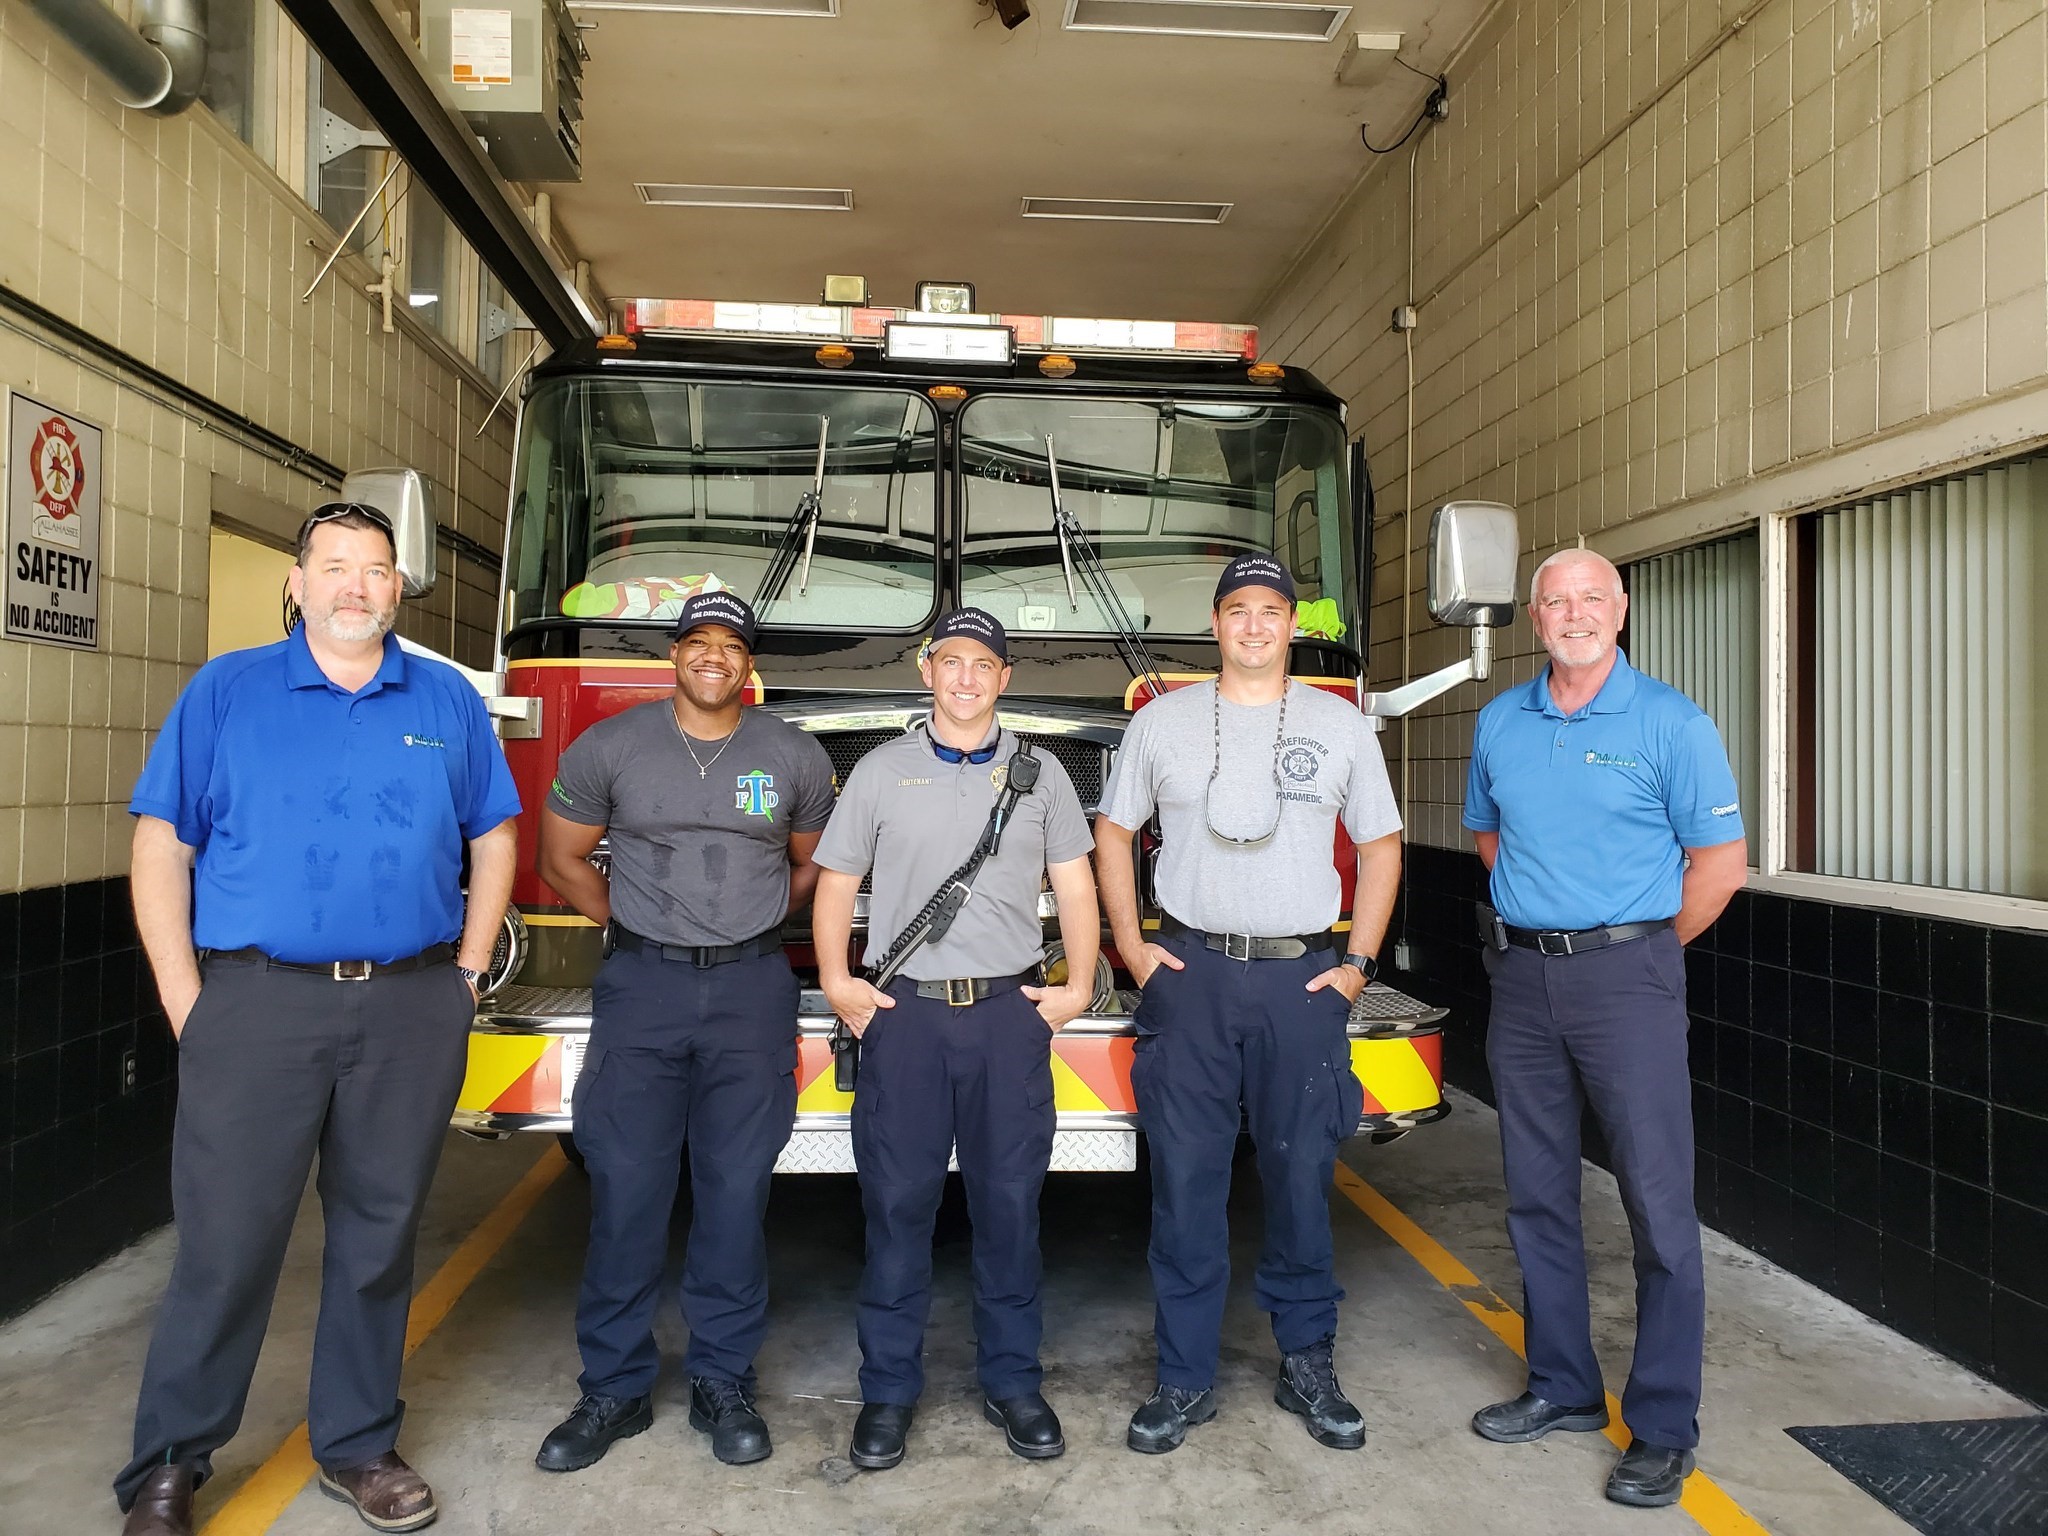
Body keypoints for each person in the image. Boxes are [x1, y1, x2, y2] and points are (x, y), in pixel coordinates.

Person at [115, 503, 520, 1536]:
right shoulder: (229, 691)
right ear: (296, 583)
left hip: (408, 1005)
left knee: (379, 1238)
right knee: (227, 1241)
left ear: (397, 589)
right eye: (333, 567)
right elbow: (163, 845)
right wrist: (184, 1000)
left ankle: (357, 1444)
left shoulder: (443, 700)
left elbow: (497, 835)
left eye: (374, 570)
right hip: (255, 1002)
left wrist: (466, 975)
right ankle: (169, 1460)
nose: (354, 586)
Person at [1095, 553, 1402, 1457]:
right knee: (1185, 1184)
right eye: (1239, 610)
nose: (1257, 626)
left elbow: (1381, 848)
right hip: (1187, 977)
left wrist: (1357, 963)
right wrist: (1130, 946)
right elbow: (1112, 832)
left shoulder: (1339, 725)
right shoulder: (1164, 723)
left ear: (1292, 625)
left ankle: (1307, 1360)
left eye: (1272, 610)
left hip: (1300, 982)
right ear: (1217, 625)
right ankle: (1184, 1376)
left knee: (1301, 1181)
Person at [1462, 547, 1747, 1509]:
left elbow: (1719, 864)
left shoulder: (1672, 722)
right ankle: (1563, 1387)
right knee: (1536, 1195)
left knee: (1658, 1209)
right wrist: (1541, 924)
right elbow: (1491, 836)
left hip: (1629, 979)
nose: (1574, 612)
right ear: (1533, 619)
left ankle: (1662, 1426)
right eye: (1556, 600)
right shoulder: (1501, 721)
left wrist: (1639, 946)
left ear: (1619, 609)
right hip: (1523, 981)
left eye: (1592, 596)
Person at [533, 589, 836, 1473]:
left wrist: (749, 923)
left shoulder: (793, 754)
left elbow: (814, 864)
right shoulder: (611, 745)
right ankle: (613, 1389)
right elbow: (561, 856)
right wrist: (631, 922)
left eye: (731, 646)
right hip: (642, 987)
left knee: (736, 1192)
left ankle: (722, 1379)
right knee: (626, 1189)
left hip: (751, 988)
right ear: (675, 655)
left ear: (750, 663)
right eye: (697, 643)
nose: (714, 657)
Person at [812, 607, 1100, 1470]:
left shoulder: (1040, 775)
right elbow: (836, 885)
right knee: (897, 1209)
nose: (967, 677)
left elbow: (1075, 885)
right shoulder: (878, 772)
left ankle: (1013, 1381)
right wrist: (837, 981)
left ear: (1004, 678)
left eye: (985, 664)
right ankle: (888, 1391)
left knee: (1008, 1208)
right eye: (952, 662)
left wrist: (1078, 984)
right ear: (927, 670)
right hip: (904, 1021)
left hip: (1007, 1019)